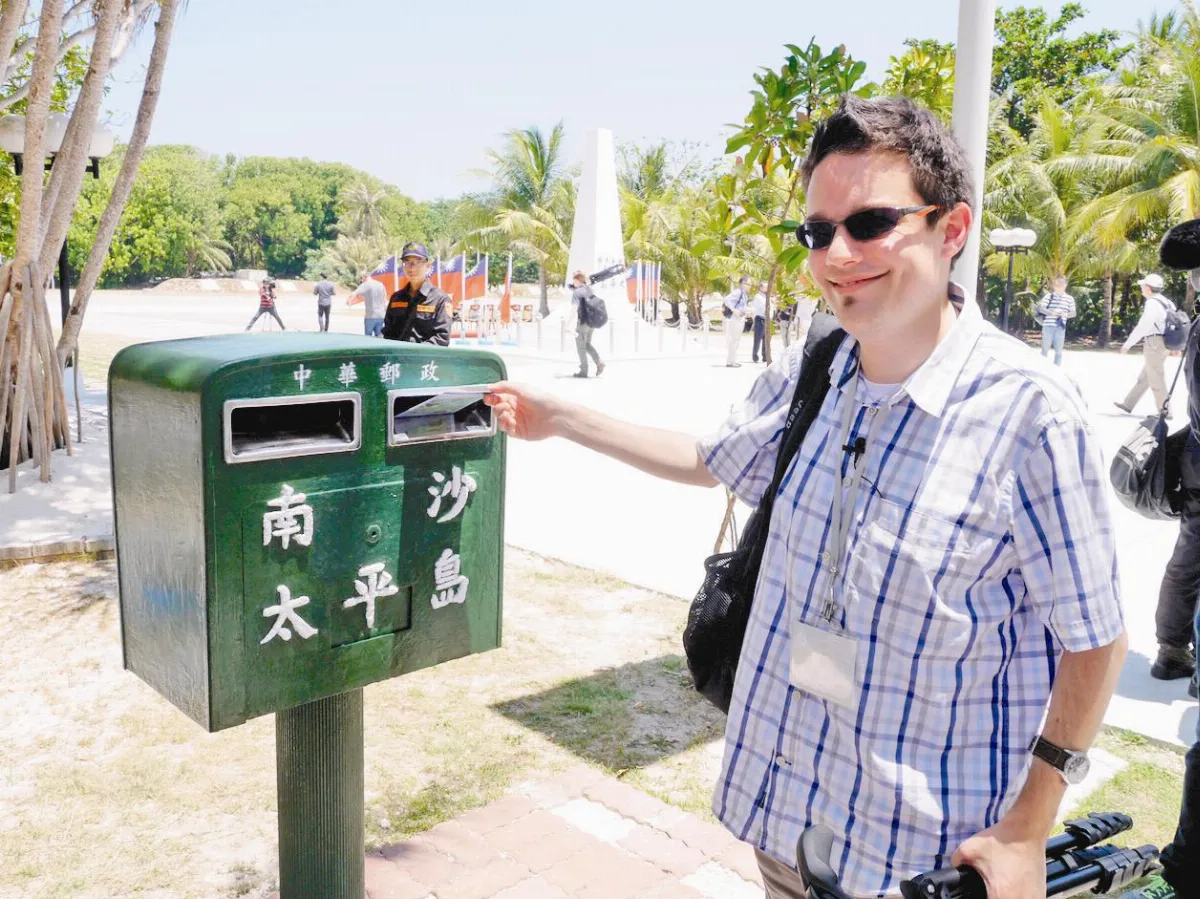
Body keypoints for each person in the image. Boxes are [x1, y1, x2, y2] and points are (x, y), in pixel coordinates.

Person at [484, 96, 1127, 899]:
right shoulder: (819, 369)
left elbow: (1095, 639)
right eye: (818, 231)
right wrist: (560, 416)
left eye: (869, 223)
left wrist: (1028, 830)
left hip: (919, 859)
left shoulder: (1031, 415)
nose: (838, 254)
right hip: (786, 822)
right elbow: (711, 460)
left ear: (952, 229)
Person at [1116, 274, 1175, 414]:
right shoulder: (1167, 302)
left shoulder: (1152, 303)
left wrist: (1127, 344)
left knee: (1155, 376)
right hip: (1165, 342)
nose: (1141, 288)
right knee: (1147, 375)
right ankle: (1128, 403)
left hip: (1154, 342)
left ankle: (1165, 410)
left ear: (1148, 288)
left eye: (1143, 286)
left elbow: (1144, 326)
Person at [382, 243, 452, 346]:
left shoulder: (440, 300)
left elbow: (442, 338)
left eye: (418, 262)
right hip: (396, 359)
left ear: (427, 266)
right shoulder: (396, 299)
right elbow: (387, 333)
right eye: (407, 262)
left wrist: (413, 352)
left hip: (424, 360)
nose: (412, 267)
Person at [1034, 274, 1075, 366]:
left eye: (1061, 284)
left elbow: (1073, 313)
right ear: (1054, 285)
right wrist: (1051, 313)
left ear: (1065, 285)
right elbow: (1041, 308)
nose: (1059, 286)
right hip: (1048, 326)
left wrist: (1065, 314)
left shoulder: (1069, 299)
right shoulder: (1049, 296)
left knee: (1059, 351)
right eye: (1057, 284)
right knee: (1045, 349)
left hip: (1060, 327)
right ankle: (1042, 368)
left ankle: (1056, 371)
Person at [570, 270, 604, 378]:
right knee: (587, 344)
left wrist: (567, 323)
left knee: (581, 346)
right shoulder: (589, 289)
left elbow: (574, 308)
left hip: (583, 322)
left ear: (576, 280)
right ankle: (599, 362)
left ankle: (583, 371)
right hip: (592, 322)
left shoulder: (577, 293)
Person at [347, 272, 388, 337]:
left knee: (368, 337)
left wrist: (349, 301)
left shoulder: (366, 285)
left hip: (370, 316)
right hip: (381, 316)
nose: (361, 281)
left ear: (364, 277)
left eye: (361, 279)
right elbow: (385, 299)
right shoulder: (380, 284)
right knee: (379, 337)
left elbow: (354, 293)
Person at [723, 275, 750, 367]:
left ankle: (732, 360)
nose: (750, 285)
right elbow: (726, 299)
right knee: (734, 340)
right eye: (748, 283)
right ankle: (730, 361)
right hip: (735, 319)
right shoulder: (738, 292)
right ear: (743, 283)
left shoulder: (744, 294)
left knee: (736, 340)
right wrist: (734, 310)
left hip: (740, 318)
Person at [751, 282, 768, 363]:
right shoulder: (758, 297)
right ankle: (755, 356)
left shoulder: (766, 296)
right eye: (765, 287)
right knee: (757, 339)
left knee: (766, 339)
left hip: (767, 320)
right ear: (761, 287)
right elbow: (762, 308)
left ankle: (765, 356)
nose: (767, 288)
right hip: (760, 319)